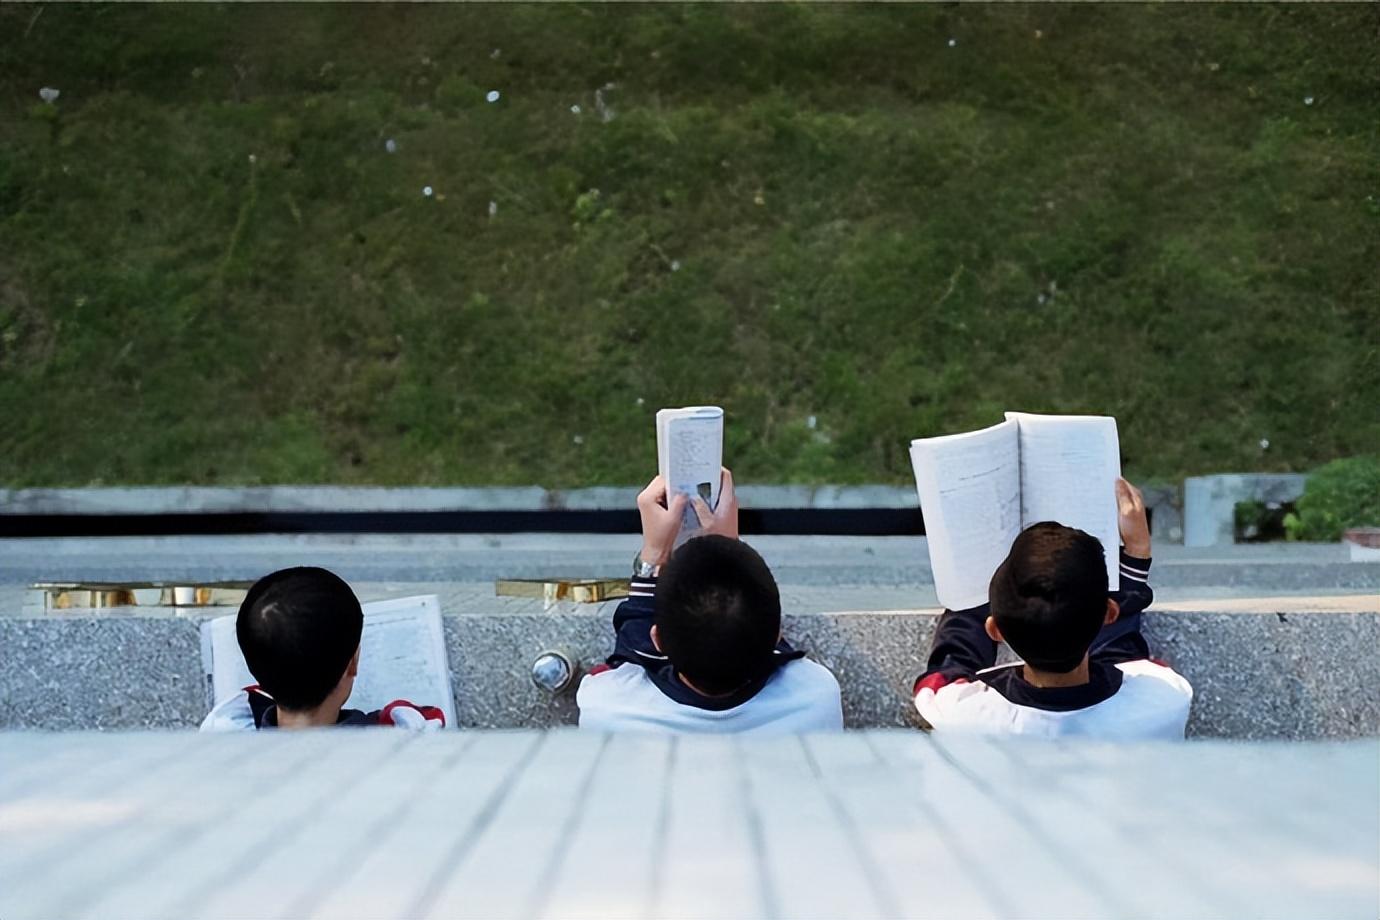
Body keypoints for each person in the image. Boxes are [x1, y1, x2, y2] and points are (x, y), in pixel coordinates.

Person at [914, 479, 1192, 738]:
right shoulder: (1165, 701)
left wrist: (973, 563)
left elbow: (952, 661)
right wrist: (1136, 551)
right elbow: (1123, 658)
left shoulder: (957, 714)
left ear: (994, 629)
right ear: (1109, 613)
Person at [577, 469, 843, 733]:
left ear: (657, 640)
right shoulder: (817, 697)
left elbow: (628, 659)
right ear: (776, 635)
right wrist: (726, 549)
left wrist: (654, 556)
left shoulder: (605, 708)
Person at [200, 566, 445, 730]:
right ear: (353, 662)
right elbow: (426, 720)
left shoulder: (226, 729)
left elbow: (252, 694)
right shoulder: (402, 736)